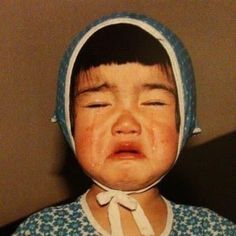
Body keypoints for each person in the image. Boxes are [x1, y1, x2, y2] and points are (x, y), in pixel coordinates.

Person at [14, 13, 236, 236]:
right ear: (69, 122)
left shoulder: (215, 229)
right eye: (98, 104)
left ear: (184, 122)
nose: (126, 124)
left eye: (153, 102)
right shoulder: (41, 230)